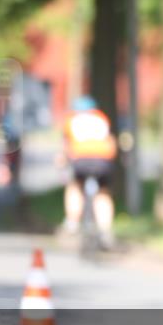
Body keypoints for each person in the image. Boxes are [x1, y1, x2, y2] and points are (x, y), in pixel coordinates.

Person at [61, 95, 118, 247]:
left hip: (81, 158)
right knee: (103, 193)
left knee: (74, 186)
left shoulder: (71, 120)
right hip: (102, 159)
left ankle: (72, 222)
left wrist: (62, 160)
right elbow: (111, 141)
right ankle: (106, 230)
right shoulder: (102, 118)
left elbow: (66, 145)